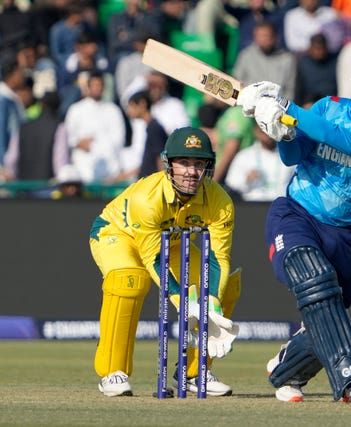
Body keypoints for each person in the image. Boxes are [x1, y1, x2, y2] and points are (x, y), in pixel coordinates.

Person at [236, 52, 351, 404]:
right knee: (315, 279)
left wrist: (285, 106)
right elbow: (294, 155)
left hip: (343, 234)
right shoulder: (328, 106)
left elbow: (337, 138)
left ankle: (285, 371)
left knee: (330, 316)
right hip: (297, 214)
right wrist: (283, 132)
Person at [90, 126, 239, 397]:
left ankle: (194, 373)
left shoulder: (220, 201)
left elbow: (217, 258)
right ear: (168, 164)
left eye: (198, 164)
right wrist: (186, 303)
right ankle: (112, 372)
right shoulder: (146, 199)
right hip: (117, 234)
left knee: (224, 289)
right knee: (130, 280)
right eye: (183, 163)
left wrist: (211, 307)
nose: (191, 172)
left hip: (169, 241)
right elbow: (152, 258)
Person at [64, 70, 126, 183]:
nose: (97, 88)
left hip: (110, 168)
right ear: (88, 87)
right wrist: (78, 143)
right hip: (83, 167)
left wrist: (99, 145)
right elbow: (68, 137)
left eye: (100, 85)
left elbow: (119, 139)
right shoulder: (75, 109)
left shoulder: (113, 110)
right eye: (94, 85)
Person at [225, 124, 295, 201]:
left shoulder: (289, 155)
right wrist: (246, 179)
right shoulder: (244, 156)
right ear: (256, 132)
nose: (268, 135)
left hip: (281, 206)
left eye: (272, 131)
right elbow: (231, 185)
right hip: (253, 206)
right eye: (264, 131)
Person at [233, 20, 297, 101]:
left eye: (266, 36)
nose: (263, 40)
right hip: (248, 105)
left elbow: (290, 90)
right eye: (259, 36)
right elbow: (237, 82)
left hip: (276, 106)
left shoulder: (287, 59)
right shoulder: (245, 55)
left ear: (275, 37)